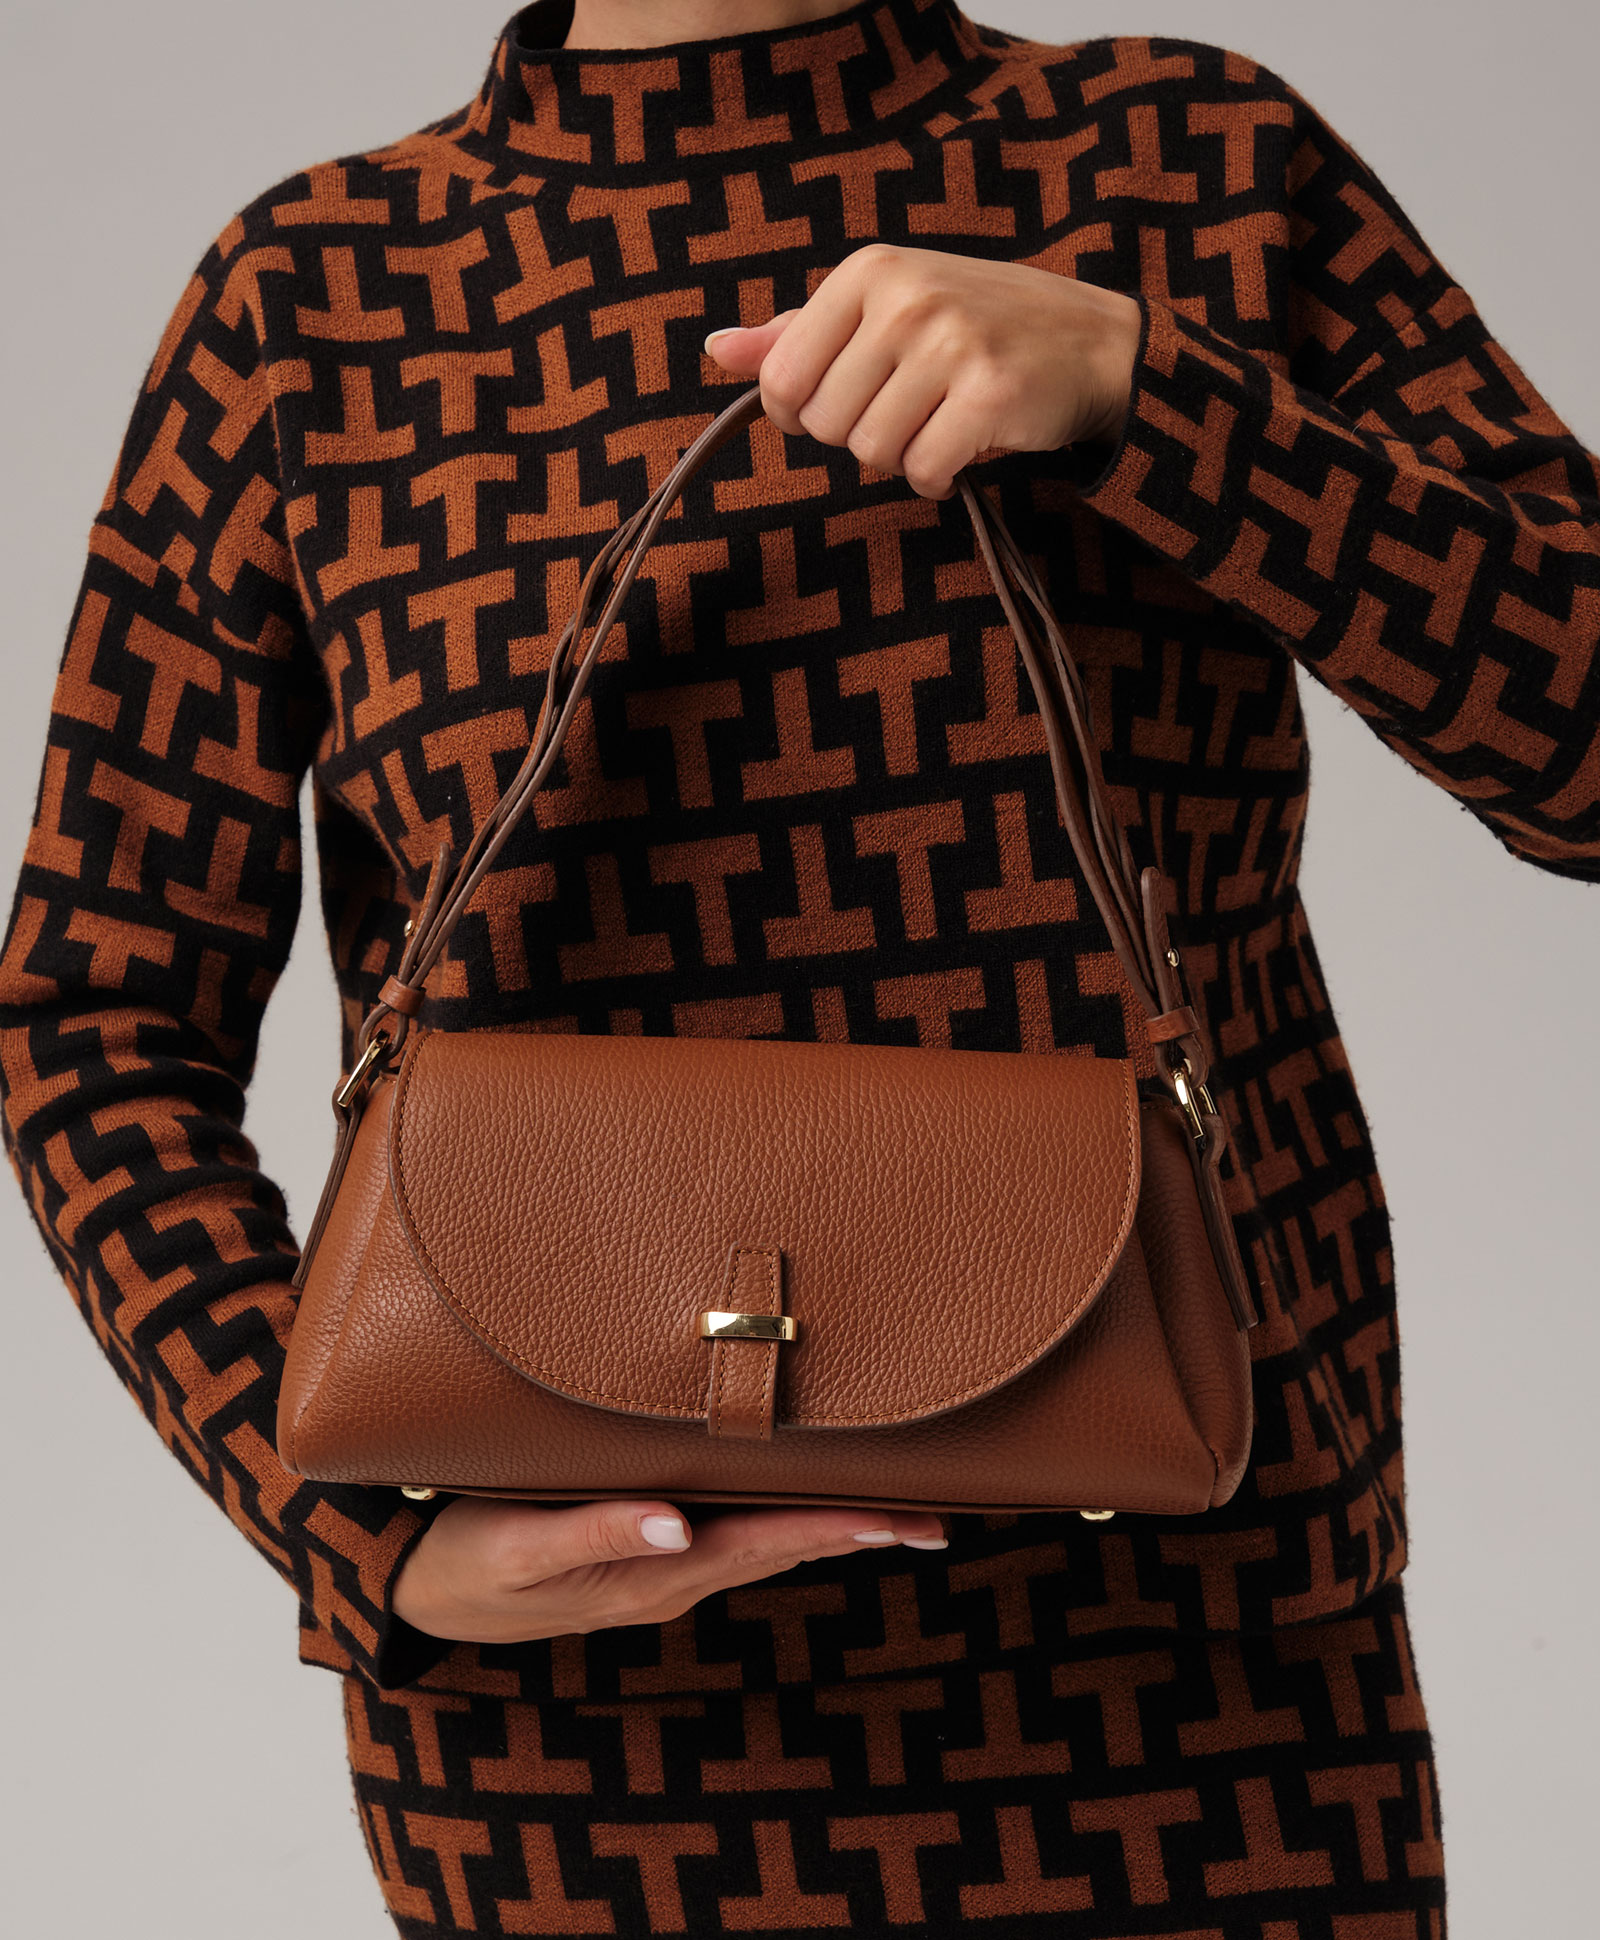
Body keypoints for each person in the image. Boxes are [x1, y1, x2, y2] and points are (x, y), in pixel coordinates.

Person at [3, 0, 1595, 1931]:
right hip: (586, 1761)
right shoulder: (309, 301)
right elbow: (91, 1019)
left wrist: (1152, 393)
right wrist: (348, 1529)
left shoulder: (1197, 165)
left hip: (1212, 1685)